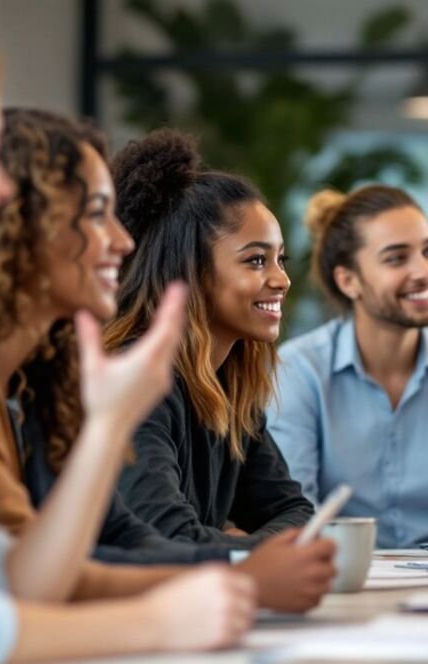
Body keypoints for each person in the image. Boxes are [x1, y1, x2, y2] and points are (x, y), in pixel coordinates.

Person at [0, 19, 254, 661]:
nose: (1, 191)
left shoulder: (31, 375)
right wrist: (162, 621)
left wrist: (106, 427)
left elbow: (10, 576)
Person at [0, 108, 332, 614]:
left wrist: (235, 573)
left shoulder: (53, 374)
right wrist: (239, 576)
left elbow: (106, 547)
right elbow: (14, 584)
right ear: (18, 227)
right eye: (95, 213)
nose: (124, 241)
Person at [106, 129, 335, 610]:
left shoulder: (229, 384)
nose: (281, 279)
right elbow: (168, 543)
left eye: (279, 259)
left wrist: (227, 543)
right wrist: (250, 552)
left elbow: (294, 511)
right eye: (256, 260)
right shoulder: (137, 381)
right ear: (190, 272)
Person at [267, 185, 428, 549]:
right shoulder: (299, 370)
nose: (424, 271)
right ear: (349, 281)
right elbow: (295, 509)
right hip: (338, 577)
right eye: (396, 258)